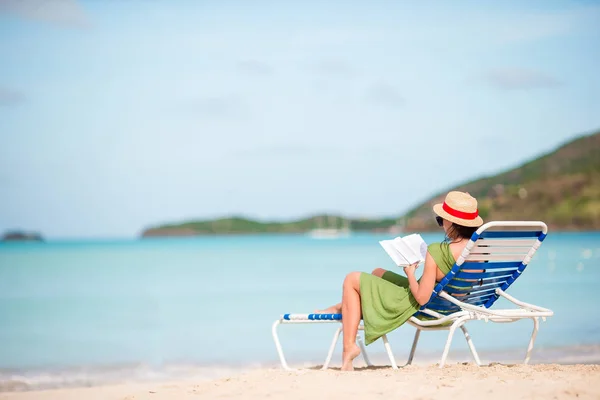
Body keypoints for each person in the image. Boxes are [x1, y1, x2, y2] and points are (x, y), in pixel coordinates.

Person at [316, 191, 484, 371]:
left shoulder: (438, 251)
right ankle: (341, 306)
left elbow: (421, 299)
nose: (441, 224)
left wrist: (410, 272)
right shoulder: (480, 251)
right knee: (377, 272)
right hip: (450, 307)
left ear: (451, 222)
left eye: (441, 220)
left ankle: (348, 346)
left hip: (426, 308)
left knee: (352, 279)